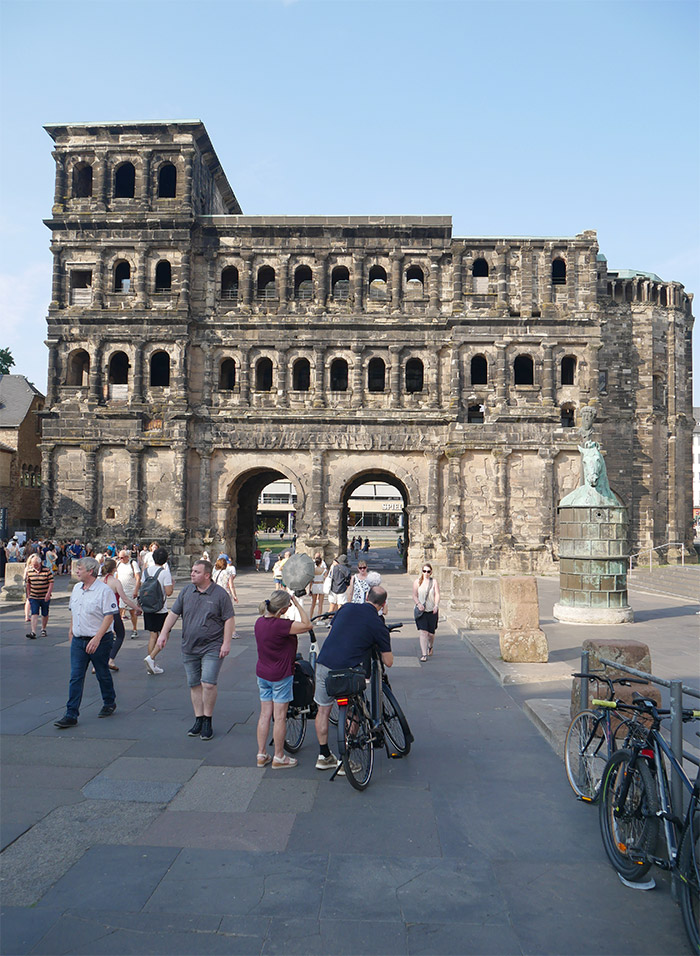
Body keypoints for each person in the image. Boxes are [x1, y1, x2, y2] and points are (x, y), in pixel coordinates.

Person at [313, 585, 393, 770]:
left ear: (366, 596)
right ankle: (345, 759)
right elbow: (388, 661)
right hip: (348, 671)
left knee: (323, 711)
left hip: (324, 663)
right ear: (382, 604)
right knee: (352, 711)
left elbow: (336, 628)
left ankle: (323, 755)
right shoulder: (377, 623)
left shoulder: (346, 607)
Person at [156, 559, 236, 741]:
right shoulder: (186, 591)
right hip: (189, 646)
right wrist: (163, 633)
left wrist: (226, 642)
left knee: (208, 683)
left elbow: (229, 619)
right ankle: (198, 718)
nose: (192, 574)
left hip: (212, 646)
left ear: (207, 575)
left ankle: (207, 719)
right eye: (192, 571)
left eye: (196, 572)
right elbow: (173, 614)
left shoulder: (220, 595)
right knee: (194, 684)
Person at [54, 557, 119, 728]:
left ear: (90, 571)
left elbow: (109, 615)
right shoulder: (76, 589)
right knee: (75, 676)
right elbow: (74, 611)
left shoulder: (104, 591)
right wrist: (71, 629)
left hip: (100, 639)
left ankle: (109, 701)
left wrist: (97, 638)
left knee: (102, 672)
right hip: (78, 640)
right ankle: (71, 714)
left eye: (79, 568)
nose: (76, 571)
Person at [254, 590, 312, 768]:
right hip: (280, 675)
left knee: (265, 714)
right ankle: (279, 757)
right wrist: (297, 603)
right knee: (279, 717)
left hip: (263, 673)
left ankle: (261, 754)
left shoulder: (259, 623)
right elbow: (307, 625)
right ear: (284, 608)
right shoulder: (282, 625)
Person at [101, 558, 141, 671]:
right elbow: (125, 599)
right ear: (115, 569)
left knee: (101, 636)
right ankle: (110, 659)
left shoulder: (98, 581)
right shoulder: (115, 582)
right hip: (112, 612)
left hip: (100, 613)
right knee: (120, 634)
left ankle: (97, 663)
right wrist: (136, 607)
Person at [142, 547, 174, 675]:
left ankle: (152, 664)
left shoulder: (146, 571)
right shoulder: (164, 573)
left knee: (152, 635)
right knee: (164, 634)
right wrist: (172, 584)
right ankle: (151, 658)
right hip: (160, 609)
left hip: (148, 607)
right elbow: (169, 592)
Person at [413, 563, 440, 662]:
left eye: (428, 571)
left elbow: (437, 594)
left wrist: (436, 605)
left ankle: (430, 646)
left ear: (431, 572)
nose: (426, 573)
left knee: (431, 634)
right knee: (423, 632)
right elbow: (414, 595)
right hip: (421, 611)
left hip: (432, 610)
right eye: (424, 571)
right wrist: (418, 604)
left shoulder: (434, 582)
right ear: (422, 572)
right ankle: (424, 654)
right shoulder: (417, 582)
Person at [25, 553, 54, 639]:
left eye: (36, 565)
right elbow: (28, 583)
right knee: (34, 613)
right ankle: (33, 631)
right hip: (34, 596)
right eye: (33, 565)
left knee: (45, 613)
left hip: (44, 596)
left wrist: (48, 594)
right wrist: (29, 595)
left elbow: (51, 582)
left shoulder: (47, 570)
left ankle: (43, 629)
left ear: (40, 563)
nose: (34, 566)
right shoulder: (29, 571)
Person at [116, 549, 141, 637]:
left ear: (127, 557)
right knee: (120, 611)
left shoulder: (133, 564)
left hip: (131, 590)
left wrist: (136, 590)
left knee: (132, 611)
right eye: (119, 557)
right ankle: (117, 631)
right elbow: (117, 576)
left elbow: (138, 578)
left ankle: (134, 629)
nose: (120, 559)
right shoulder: (118, 564)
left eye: (122, 558)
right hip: (121, 590)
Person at [309, 553, 327, 618]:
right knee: (320, 604)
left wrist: (309, 589)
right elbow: (326, 578)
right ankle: (319, 618)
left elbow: (311, 580)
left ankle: (310, 617)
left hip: (314, 585)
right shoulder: (324, 570)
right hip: (321, 585)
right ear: (321, 562)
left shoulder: (313, 570)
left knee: (313, 604)